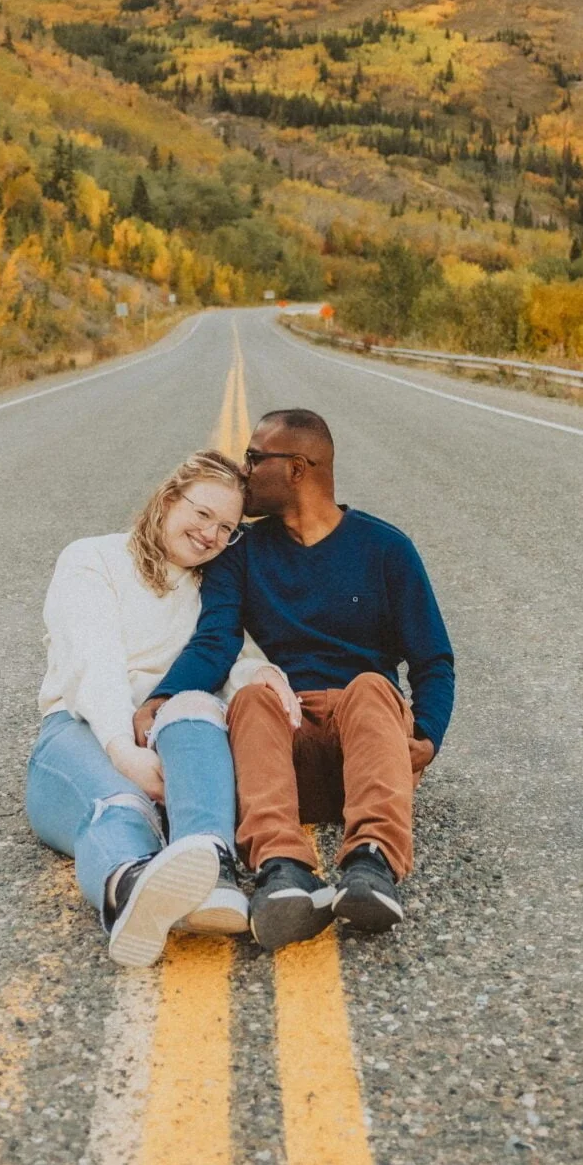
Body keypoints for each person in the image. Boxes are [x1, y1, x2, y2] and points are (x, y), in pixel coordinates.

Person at [149, 408, 454, 952]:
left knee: (369, 685)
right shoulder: (240, 554)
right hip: (284, 752)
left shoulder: (386, 549)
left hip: (369, 745)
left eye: (254, 458)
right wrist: (163, 696)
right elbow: (216, 639)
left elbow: (433, 659)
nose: (243, 472)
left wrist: (427, 734)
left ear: (296, 469)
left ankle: (372, 864)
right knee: (252, 695)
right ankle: (281, 869)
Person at [24, 449, 256, 966]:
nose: (210, 535)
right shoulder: (93, 558)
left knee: (196, 704)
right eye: (202, 514)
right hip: (82, 730)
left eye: (226, 528)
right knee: (119, 803)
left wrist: (272, 681)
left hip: (171, 741)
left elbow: (239, 659)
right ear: (170, 497)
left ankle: (213, 873)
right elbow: (94, 660)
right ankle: (130, 888)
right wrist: (123, 751)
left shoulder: (212, 590)